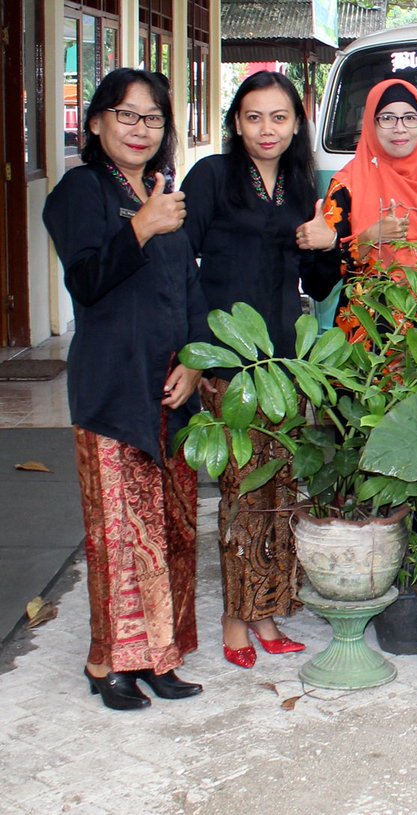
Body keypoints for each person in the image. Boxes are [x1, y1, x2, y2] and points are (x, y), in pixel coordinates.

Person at [43, 68, 206, 710]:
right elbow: (86, 280)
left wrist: (195, 362)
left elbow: (192, 289)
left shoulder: (164, 190)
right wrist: (141, 226)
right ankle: (110, 663)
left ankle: (160, 656)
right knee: (118, 532)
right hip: (113, 387)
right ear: (98, 122)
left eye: (153, 118)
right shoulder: (78, 192)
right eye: (127, 115)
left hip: (172, 387)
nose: (141, 129)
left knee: (169, 526)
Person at [182, 71, 340, 669]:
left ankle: (267, 608)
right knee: (237, 492)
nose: (266, 129)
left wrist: (327, 245)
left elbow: (318, 284)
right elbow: (181, 266)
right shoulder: (213, 178)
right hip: (229, 362)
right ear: (236, 123)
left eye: (278, 117)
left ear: (296, 123)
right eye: (254, 117)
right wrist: (198, 354)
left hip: (283, 363)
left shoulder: (303, 186)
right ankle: (234, 615)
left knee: (277, 490)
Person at [301, 78, 417, 337]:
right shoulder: (346, 188)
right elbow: (317, 286)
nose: (399, 128)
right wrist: (364, 239)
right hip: (360, 348)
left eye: (410, 118)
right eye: (387, 118)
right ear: (370, 124)